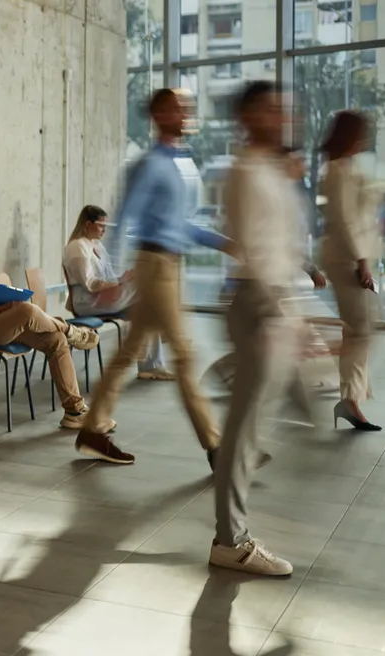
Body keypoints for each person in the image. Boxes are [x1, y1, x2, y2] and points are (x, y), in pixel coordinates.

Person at [75, 88, 234, 466]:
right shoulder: (147, 164)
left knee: (129, 350)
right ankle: (217, 447)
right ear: (159, 114)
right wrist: (111, 279)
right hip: (155, 265)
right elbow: (121, 217)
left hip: (169, 266)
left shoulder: (180, 163)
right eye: (178, 106)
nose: (186, 111)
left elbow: (186, 225)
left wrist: (227, 244)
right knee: (184, 352)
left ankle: (93, 429)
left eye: (187, 106)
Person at [211, 81, 324, 576]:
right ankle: (230, 541)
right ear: (251, 117)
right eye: (275, 110)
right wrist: (278, 313)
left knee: (261, 422)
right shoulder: (247, 174)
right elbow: (256, 251)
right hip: (260, 303)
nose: (286, 117)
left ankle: (232, 370)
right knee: (244, 432)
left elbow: (283, 240)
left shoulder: (271, 172)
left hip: (271, 303)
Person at [0, 198, 100, 429]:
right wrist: (3, 308)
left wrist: (3, 302)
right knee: (26, 309)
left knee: (54, 340)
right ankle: (70, 329)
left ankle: (74, 411)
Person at [319, 110, 383, 431]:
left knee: (360, 329)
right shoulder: (336, 171)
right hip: (347, 260)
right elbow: (344, 220)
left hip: (352, 257)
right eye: (360, 134)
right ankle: (350, 399)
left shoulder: (345, 168)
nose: (365, 140)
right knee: (359, 330)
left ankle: (351, 397)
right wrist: (361, 261)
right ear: (349, 136)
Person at [63, 204, 168, 379]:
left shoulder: (98, 246)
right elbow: (90, 284)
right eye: (101, 225)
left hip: (102, 297)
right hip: (87, 302)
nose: (104, 230)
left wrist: (121, 279)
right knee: (146, 287)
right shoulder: (77, 247)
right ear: (88, 224)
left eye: (106, 226)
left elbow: (109, 278)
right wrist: (121, 283)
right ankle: (166, 329)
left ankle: (150, 366)